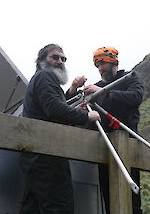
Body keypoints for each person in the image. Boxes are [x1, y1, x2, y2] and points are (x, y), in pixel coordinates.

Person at [20, 44, 101, 214]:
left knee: (33, 207)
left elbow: (52, 110)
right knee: (59, 206)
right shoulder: (44, 77)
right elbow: (54, 108)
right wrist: (86, 117)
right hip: (48, 154)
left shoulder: (41, 80)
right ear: (42, 60)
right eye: (54, 57)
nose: (60, 61)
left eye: (63, 59)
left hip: (35, 154)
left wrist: (74, 110)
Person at [67, 46, 144, 214]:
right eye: (97, 65)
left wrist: (103, 92)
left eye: (103, 64)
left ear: (113, 62)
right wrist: (73, 88)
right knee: (108, 197)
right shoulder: (97, 86)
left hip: (128, 142)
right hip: (104, 146)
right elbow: (66, 105)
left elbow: (136, 97)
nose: (100, 69)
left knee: (132, 200)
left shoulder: (129, 77)